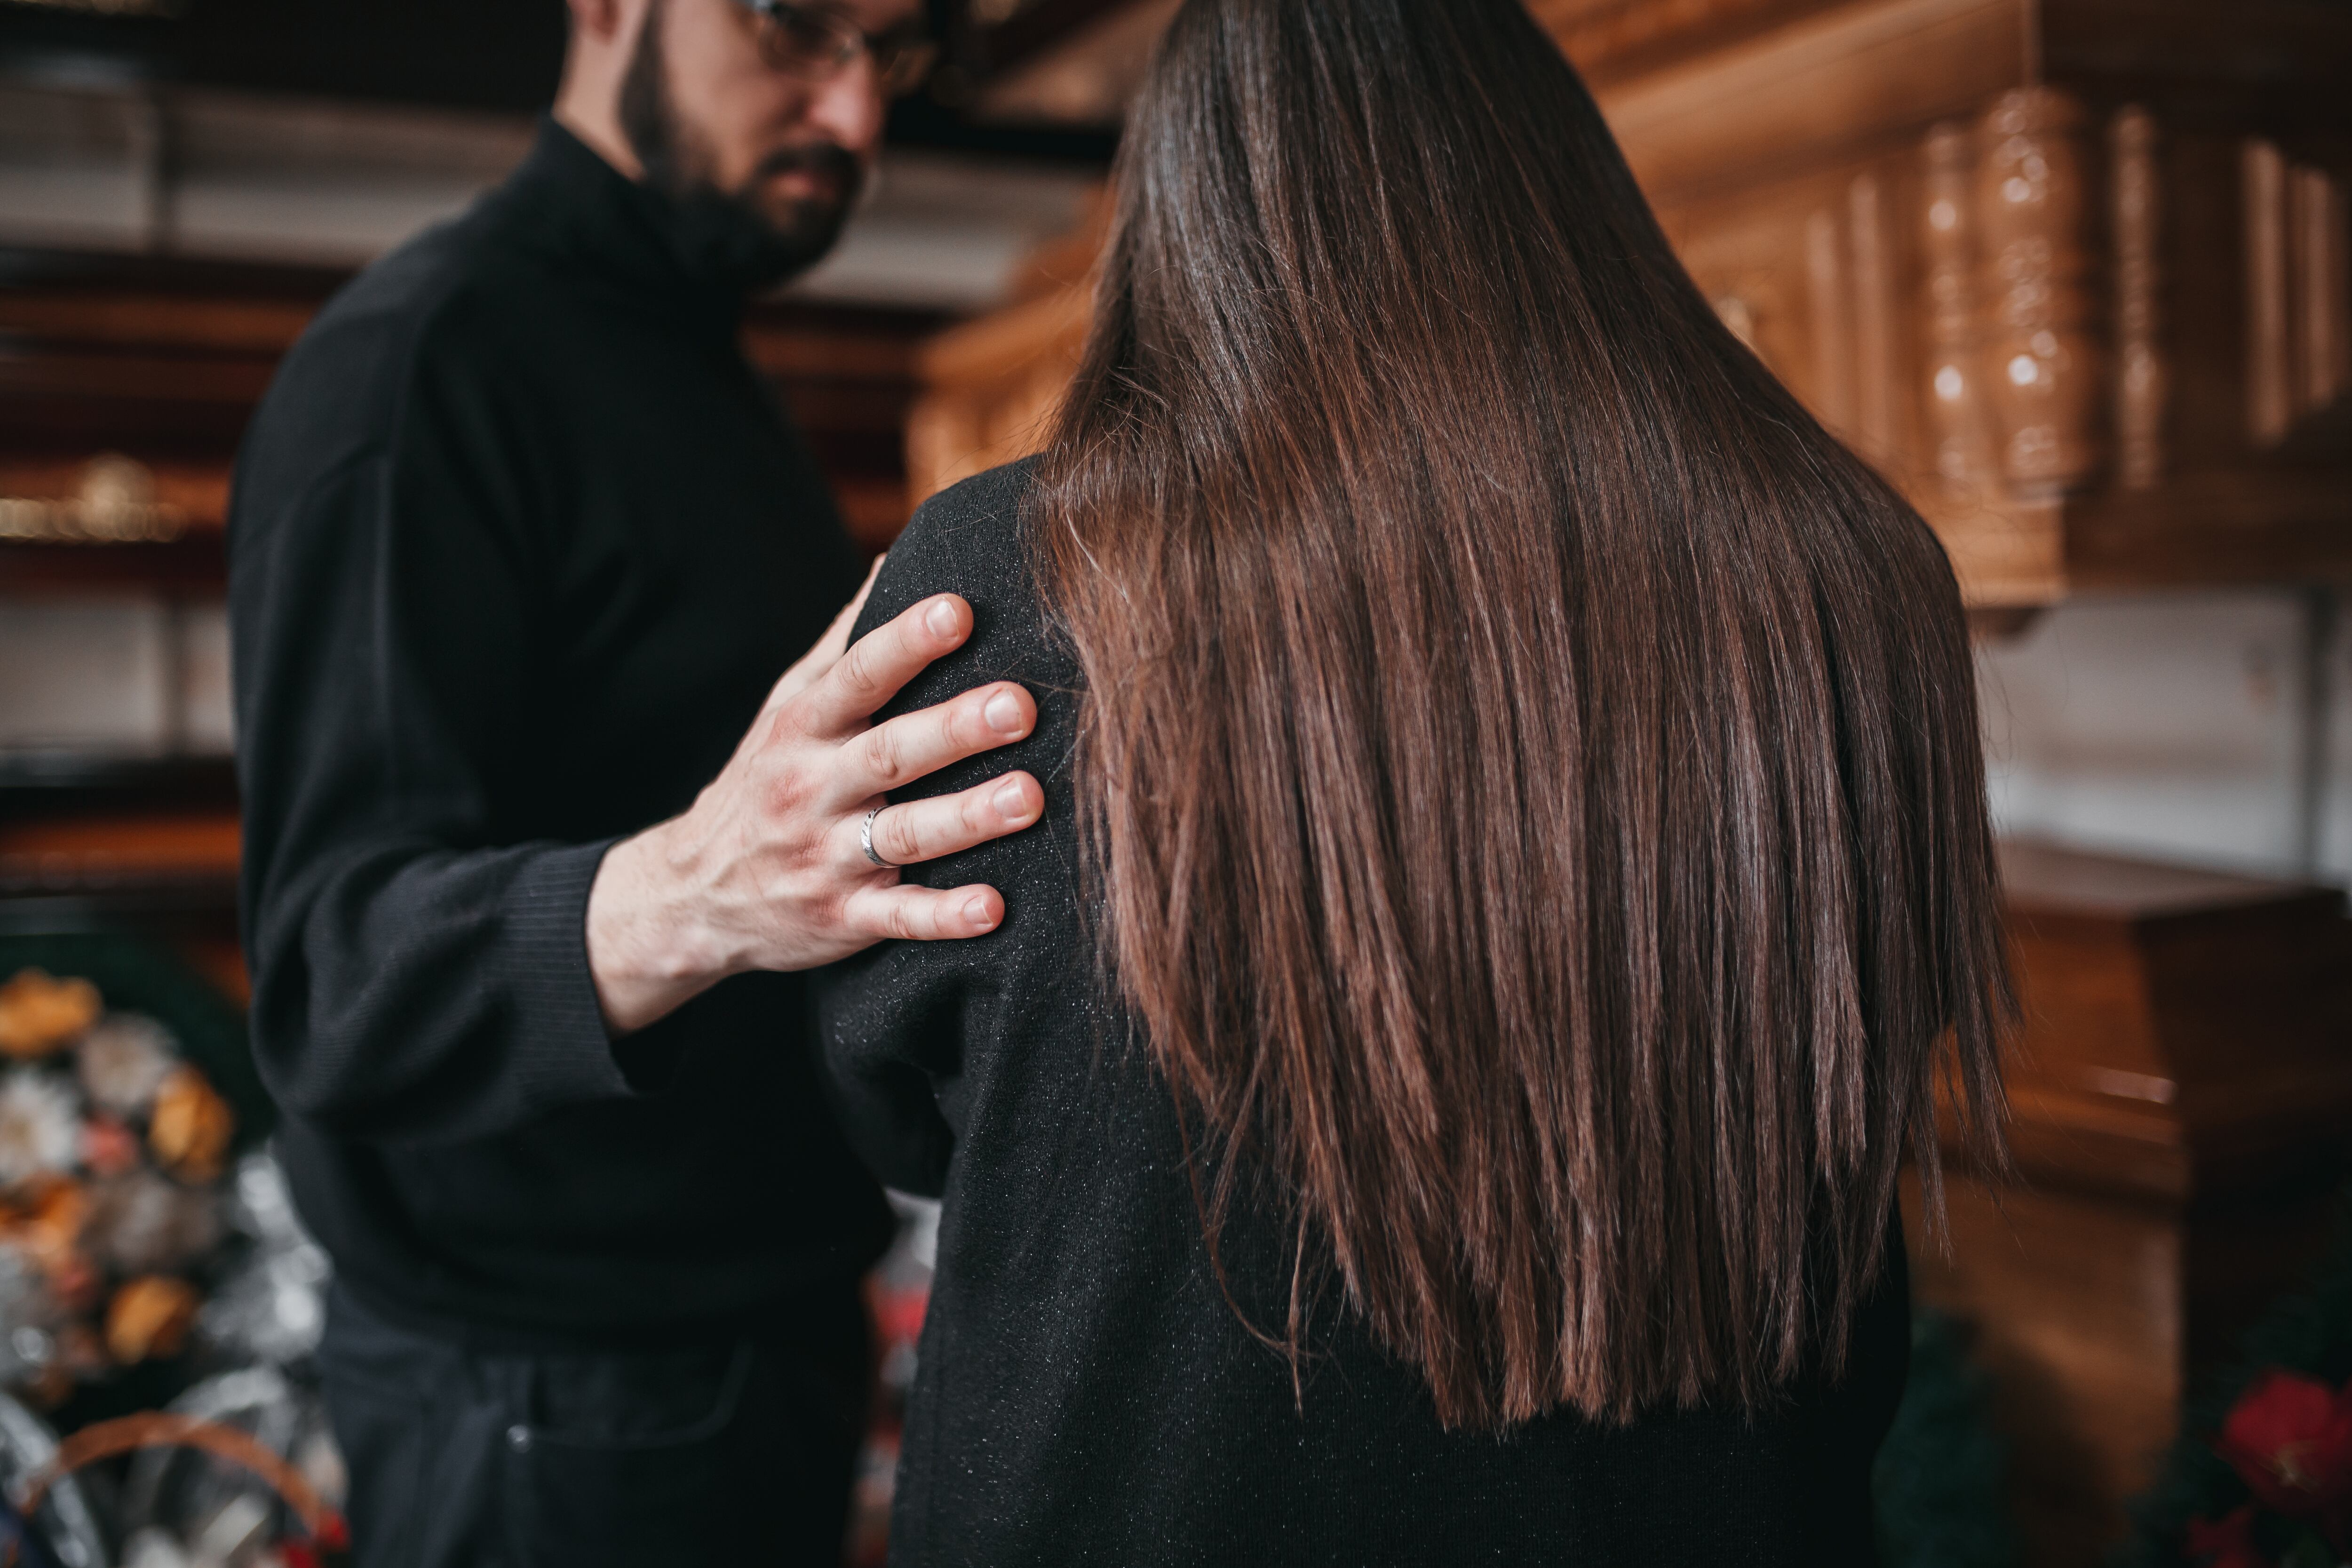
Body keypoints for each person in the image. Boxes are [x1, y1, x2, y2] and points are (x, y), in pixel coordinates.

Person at [815, 0, 2014, 1561]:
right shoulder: (1856, 575)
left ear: (1185, 212)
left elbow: (890, 1097)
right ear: (1557, 190)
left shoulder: (1010, 579)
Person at [227, 0, 1046, 1562]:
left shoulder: (695, 364)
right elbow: (335, 983)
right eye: (802, 30)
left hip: (767, 1349)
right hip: (553, 1408)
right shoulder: (417, 370)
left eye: (893, 61)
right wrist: (707, 885)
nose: (857, 116)